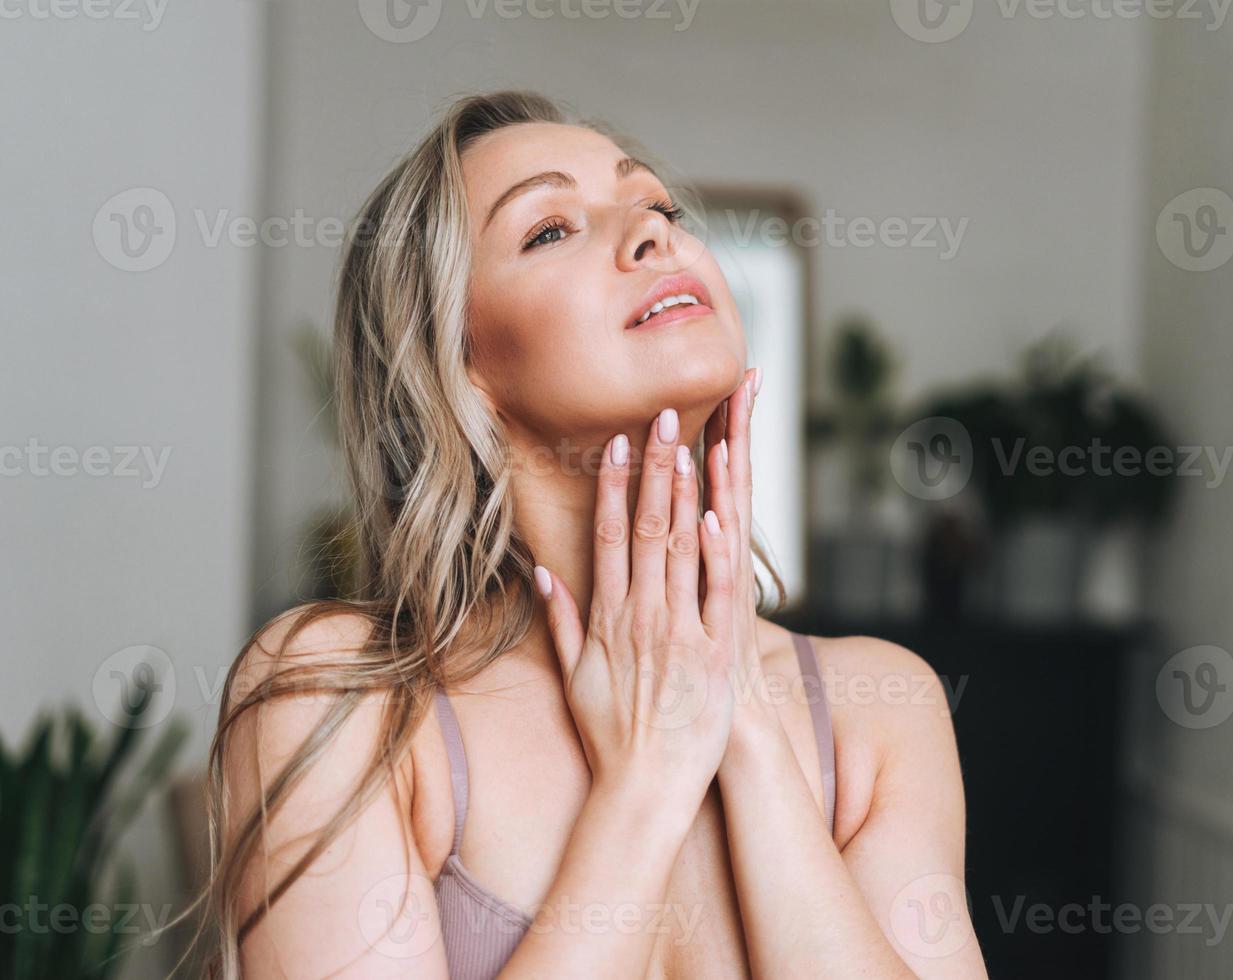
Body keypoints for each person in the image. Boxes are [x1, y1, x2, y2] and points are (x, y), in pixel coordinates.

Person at [202, 90, 986, 979]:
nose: (654, 235)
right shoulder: (337, 696)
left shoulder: (879, 706)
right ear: (457, 363)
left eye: (655, 205)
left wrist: (746, 735)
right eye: (548, 230)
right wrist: (646, 779)